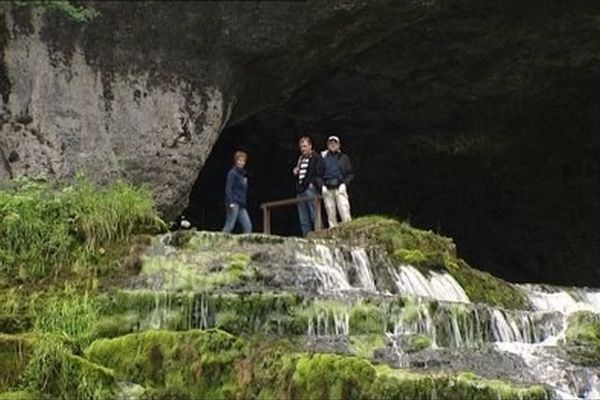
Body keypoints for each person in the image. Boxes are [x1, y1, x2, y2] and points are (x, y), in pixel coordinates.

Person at [293, 136, 324, 236]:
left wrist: (312, 184)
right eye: (301, 147)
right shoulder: (300, 158)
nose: (303, 149)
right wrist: (296, 172)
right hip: (300, 190)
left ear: (310, 146)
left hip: (310, 189)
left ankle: (320, 236)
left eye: (305, 146)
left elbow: (319, 172)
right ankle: (306, 238)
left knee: (314, 215)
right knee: (303, 218)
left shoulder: (316, 157)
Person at [321, 135, 354, 228]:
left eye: (335, 142)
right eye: (330, 143)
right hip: (327, 188)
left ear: (339, 145)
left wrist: (344, 184)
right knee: (330, 213)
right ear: (327, 145)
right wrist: (322, 185)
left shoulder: (344, 158)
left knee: (344, 209)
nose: (332, 144)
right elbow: (318, 174)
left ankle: (348, 230)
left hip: (340, 188)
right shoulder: (323, 158)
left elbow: (350, 174)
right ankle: (333, 236)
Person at [222, 150, 252, 234]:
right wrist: (230, 202)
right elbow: (228, 188)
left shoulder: (243, 175)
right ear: (235, 161)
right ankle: (219, 242)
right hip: (233, 202)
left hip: (241, 204)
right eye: (239, 160)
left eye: (243, 161)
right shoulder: (232, 173)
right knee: (230, 225)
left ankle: (246, 246)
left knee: (248, 226)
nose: (241, 163)